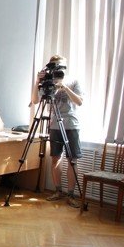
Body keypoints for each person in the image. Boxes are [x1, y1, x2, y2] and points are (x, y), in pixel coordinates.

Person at [32, 54, 84, 208]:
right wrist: (37, 82)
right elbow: (35, 100)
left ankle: (71, 194)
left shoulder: (73, 80)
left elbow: (79, 102)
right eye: (55, 66)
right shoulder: (47, 81)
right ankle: (57, 191)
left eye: (60, 66)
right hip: (55, 125)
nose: (58, 69)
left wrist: (64, 87)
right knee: (55, 158)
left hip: (71, 124)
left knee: (72, 160)